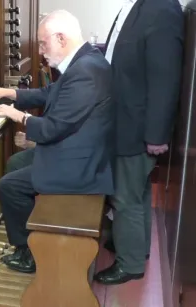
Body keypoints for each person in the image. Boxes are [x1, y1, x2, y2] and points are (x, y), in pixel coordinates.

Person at [0, 9, 115, 273]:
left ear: (61, 38)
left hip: (82, 168)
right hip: (80, 152)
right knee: (17, 161)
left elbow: (52, 129)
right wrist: (4, 92)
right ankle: (32, 234)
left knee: (8, 186)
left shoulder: (86, 71)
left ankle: (28, 254)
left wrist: (16, 114)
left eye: (43, 43)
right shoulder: (87, 60)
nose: (40, 50)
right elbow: (47, 94)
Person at [93, 0, 184, 285]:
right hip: (123, 120)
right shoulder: (136, 5)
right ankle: (135, 246)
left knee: (124, 196)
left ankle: (130, 264)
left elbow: (166, 77)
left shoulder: (162, 8)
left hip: (136, 125)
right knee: (138, 191)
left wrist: (156, 135)